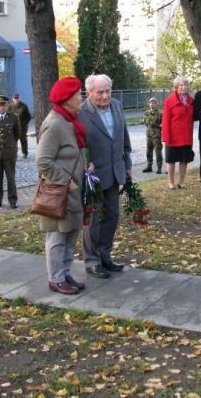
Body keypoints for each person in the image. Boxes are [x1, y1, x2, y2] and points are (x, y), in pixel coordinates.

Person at [36, 77, 87, 295]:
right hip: (60, 192)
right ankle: (55, 278)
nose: (81, 97)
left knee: (71, 232)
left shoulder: (70, 120)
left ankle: (65, 273)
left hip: (74, 192)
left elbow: (75, 151)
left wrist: (87, 163)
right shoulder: (54, 124)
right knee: (57, 235)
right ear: (67, 100)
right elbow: (43, 161)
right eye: (78, 94)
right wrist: (67, 181)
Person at [78, 74, 132, 279]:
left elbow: (123, 136)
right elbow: (77, 142)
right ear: (89, 92)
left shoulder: (116, 106)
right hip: (93, 175)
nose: (105, 95)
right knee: (93, 219)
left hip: (115, 170)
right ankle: (92, 261)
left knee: (112, 215)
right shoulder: (82, 112)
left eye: (108, 91)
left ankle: (104, 254)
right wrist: (85, 163)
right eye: (100, 92)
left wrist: (126, 164)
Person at [0, 95, 21, 208]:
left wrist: (10, 144)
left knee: (10, 177)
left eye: (3, 105)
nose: (1, 107)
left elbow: (17, 134)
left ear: (7, 106)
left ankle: (12, 200)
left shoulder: (13, 118)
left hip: (9, 152)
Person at [161, 76, 194, 190]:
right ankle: (171, 182)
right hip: (173, 137)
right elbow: (165, 121)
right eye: (181, 85)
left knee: (184, 160)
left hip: (186, 136)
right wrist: (166, 137)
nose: (184, 87)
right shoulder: (170, 100)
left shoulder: (190, 100)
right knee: (171, 161)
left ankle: (181, 182)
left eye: (185, 85)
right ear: (176, 87)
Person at [142, 97, 163, 174]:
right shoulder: (146, 113)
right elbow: (145, 122)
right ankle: (149, 166)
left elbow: (163, 124)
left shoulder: (160, 113)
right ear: (149, 104)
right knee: (148, 151)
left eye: (154, 102)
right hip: (149, 133)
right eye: (151, 103)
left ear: (156, 104)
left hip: (156, 134)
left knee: (158, 151)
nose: (152, 104)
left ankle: (159, 167)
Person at [9, 93, 32, 158]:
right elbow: (8, 115)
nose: (16, 99)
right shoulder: (10, 106)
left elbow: (28, 116)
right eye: (15, 98)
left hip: (22, 126)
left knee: (23, 140)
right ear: (13, 99)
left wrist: (24, 123)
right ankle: (14, 153)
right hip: (13, 126)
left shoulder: (24, 106)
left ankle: (25, 153)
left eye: (17, 98)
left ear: (19, 99)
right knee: (13, 140)